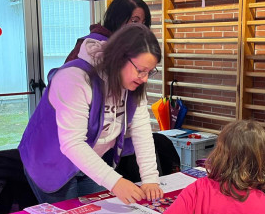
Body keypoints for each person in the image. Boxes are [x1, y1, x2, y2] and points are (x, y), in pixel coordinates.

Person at [19, 24, 164, 204]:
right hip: (50, 162)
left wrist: (150, 178)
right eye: (140, 70)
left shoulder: (133, 85)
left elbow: (141, 130)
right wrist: (116, 182)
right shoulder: (74, 78)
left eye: (150, 72)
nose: (145, 79)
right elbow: (72, 143)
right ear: (119, 58)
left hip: (90, 159)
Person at [64, 0, 151, 64]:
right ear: (118, 19)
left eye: (143, 23)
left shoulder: (127, 48)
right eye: (134, 21)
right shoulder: (91, 46)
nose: (141, 28)